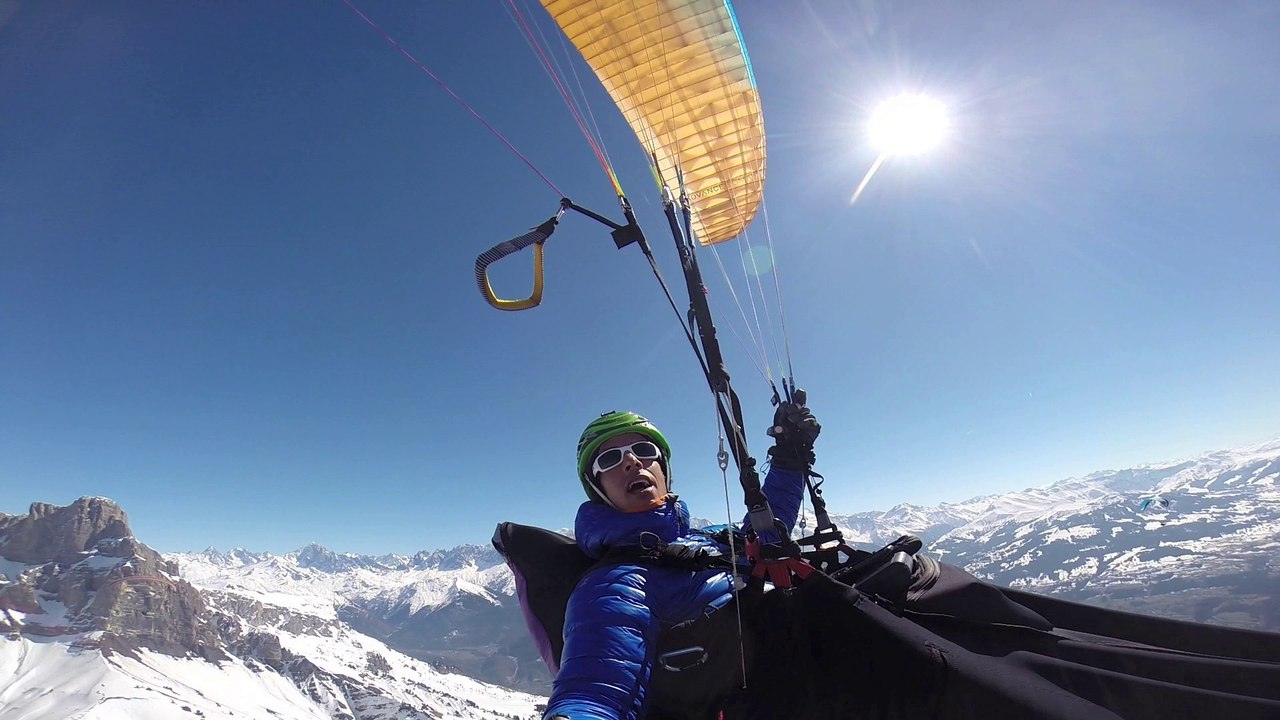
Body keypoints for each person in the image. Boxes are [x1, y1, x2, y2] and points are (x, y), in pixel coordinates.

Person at [543, 403, 820, 720]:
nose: (632, 461)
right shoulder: (614, 586)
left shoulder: (709, 538)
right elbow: (595, 691)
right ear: (598, 488)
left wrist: (788, 458)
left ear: (663, 468)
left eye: (643, 449)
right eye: (610, 459)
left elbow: (765, 532)